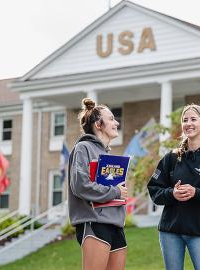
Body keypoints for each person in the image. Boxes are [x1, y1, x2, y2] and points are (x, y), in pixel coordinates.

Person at [147, 104, 200, 270]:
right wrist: (172, 193)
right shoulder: (171, 158)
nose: (188, 123)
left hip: (199, 232)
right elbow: (154, 190)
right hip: (169, 232)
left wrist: (197, 192)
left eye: (193, 119)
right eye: (185, 120)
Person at [68, 98, 128, 270]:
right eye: (111, 119)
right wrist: (115, 192)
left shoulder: (109, 156)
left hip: (116, 225)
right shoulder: (83, 148)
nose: (116, 122)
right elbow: (80, 185)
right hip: (94, 223)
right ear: (98, 124)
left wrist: (120, 192)